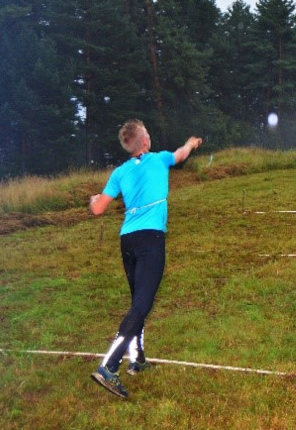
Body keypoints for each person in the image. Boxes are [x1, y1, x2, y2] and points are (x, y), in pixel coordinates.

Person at [88, 119, 202, 397]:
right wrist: (190, 142)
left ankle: (137, 360)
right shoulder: (159, 159)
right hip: (151, 240)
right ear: (145, 142)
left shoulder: (120, 172)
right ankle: (109, 366)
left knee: (139, 300)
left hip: (127, 240)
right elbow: (181, 154)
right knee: (141, 303)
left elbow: (98, 209)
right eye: (148, 134)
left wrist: (93, 200)